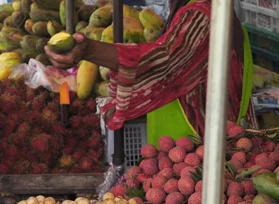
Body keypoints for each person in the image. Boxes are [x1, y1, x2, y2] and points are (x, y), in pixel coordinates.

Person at [45, 0, 255, 145]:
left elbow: (162, 60)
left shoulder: (202, 16)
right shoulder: (201, 11)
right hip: (185, 160)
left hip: (202, 162)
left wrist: (90, 50)